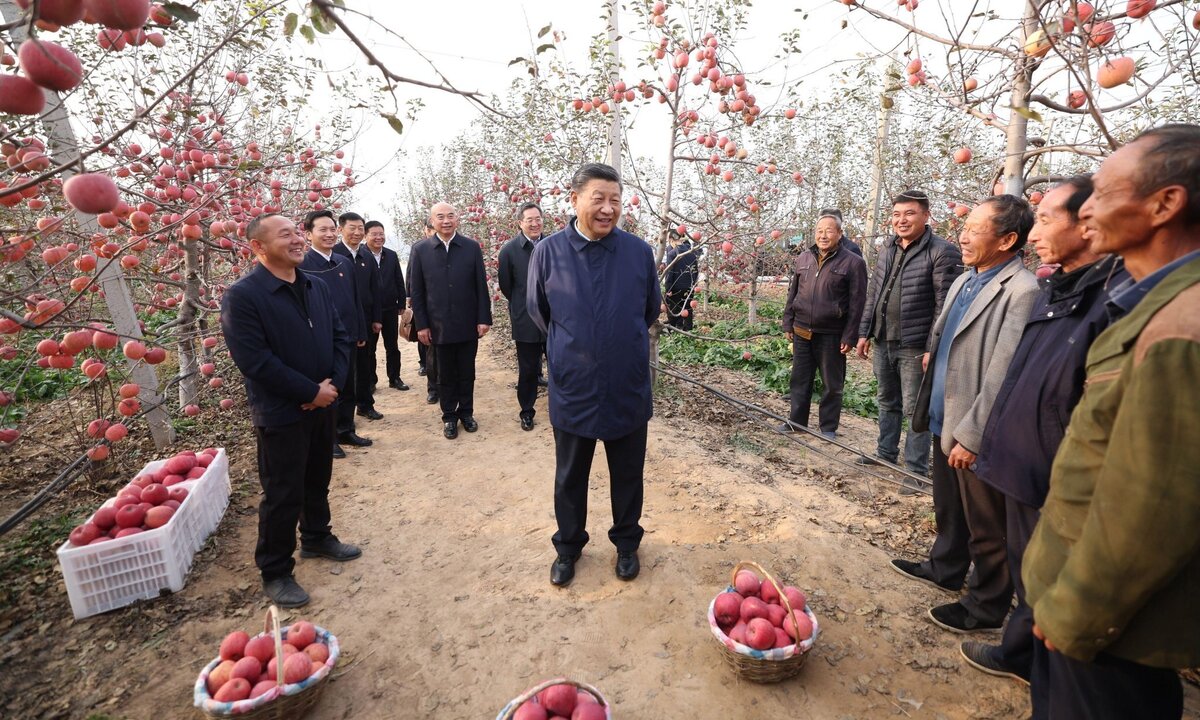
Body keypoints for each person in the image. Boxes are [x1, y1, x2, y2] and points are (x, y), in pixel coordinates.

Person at [1024, 124, 1200, 719]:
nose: (1086, 208)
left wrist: (1076, 611)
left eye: (1100, 192)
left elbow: (1152, 506)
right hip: (1079, 607)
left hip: (1104, 625)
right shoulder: (1152, 304)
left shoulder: (1184, 328)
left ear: (1164, 204)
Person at [954, 177, 1127, 706]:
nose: (1035, 233)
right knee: (1030, 569)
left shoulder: (1113, 301)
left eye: (1048, 219)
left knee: (1048, 581)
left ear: (1090, 224)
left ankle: (1039, 668)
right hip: (1021, 459)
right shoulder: (1059, 289)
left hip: (1055, 472)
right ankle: (1022, 655)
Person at [893, 196, 1040, 636]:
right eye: (965, 226)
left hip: (973, 425)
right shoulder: (965, 279)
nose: (963, 234)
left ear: (1008, 239)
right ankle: (945, 567)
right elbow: (945, 333)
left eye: (975, 229)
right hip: (945, 412)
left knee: (986, 525)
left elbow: (1002, 372)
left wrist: (973, 436)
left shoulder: (1022, 291)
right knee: (949, 505)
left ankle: (985, 605)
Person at [529, 163, 660, 587]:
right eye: (598, 199)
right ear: (574, 199)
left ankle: (626, 543)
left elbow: (649, 309)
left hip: (626, 383)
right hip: (575, 386)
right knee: (570, 475)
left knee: (628, 474)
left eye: (615, 201)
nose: (607, 209)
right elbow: (539, 313)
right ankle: (568, 547)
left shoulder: (638, 252)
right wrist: (576, 349)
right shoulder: (548, 252)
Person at [220, 213, 361, 609]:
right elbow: (255, 360)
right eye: (286, 235)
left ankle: (317, 537)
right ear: (258, 247)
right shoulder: (244, 296)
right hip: (281, 410)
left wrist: (330, 386)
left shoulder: (314, 285)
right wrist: (307, 390)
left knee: (318, 475)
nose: (298, 240)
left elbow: (339, 335)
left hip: (322, 403)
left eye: (298, 233)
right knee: (283, 491)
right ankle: (275, 569)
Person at [856, 190, 962, 475]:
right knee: (886, 400)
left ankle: (915, 469)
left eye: (909, 213)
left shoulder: (942, 251)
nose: (901, 220)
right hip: (883, 338)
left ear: (926, 216)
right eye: (896, 214)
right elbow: (874, 294)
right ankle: (885, 453)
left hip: (914, 345)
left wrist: (932, 346)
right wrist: (865, 331)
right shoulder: (888, 248)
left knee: (916, 408)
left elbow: (945, 305)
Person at [408, 202, 492, 439]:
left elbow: (480, 285)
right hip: (437, 325)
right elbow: (417, 292)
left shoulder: (471, 247)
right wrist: (421, 324)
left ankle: (466, 413)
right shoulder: (421, 250)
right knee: (444, 374)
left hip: (467, 322)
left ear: (458, 219)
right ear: (432, 221)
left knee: (467, 371)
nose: (446, 221)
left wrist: (483, 318)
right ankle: (449, 417)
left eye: (451, 216)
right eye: (440, 217)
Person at [780, 213, 867, 438]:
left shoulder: (853, 262)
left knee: (832, 383)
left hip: (832, 332)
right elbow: (794, 292)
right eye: (819, 231)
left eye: (829, 231)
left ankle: (828, 427)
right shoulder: (804, 258)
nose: (823, 235)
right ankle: (796, 422)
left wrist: (850, 336)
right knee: (800, 378)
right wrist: (788, 321)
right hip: (801, 329)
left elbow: (857, 303)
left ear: (839, 233)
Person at [299, 210, 372, 458]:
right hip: (322, 340)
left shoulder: (343, 262)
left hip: (348, 336)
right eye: (323, 230)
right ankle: (327, 439)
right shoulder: (304, 265)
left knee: (347, 386)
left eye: (332, 229)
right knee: (329, 388)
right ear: (308, 234)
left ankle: (345, 429)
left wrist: (360, 329)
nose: (329, 234)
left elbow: (355, 300)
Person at [498, 202, 547, 431]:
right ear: (520, 223)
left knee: (559, 366)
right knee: (527, 370)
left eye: (538, 218)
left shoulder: (553, 245)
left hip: (554, 320)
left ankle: (562, 409)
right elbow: (507, 287)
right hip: (525, 319)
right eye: (530, 220)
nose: (535, 223)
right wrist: (523, 303)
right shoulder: (509, 251)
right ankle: (527, 411)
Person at [334, 212, 383, 420]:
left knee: (364, 365)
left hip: (364, 321)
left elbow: (376, 290)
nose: (356, 232)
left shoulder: (366, 256)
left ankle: (365, 404)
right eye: (351, 228)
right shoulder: (334, 255)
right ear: (341, 230)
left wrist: (377, 318)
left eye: (360, 228)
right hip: (340, 324)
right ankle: (343, 417)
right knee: (343, 371)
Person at [365, 220, 408, 391]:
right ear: (365, 236)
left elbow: (399, 279)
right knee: (370, 348)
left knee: (392, 346)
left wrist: (402, 302)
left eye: (381, 234)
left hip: (390, 307)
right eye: (374, 234)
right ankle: (370, 381)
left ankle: (395, 378)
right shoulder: (361, 255)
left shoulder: (390, 254)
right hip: (369, 310)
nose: (378, 237)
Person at [409, 220, 438, 399]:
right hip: (429, 307)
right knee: (432, 352)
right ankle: (433, 389)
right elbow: (412, 276)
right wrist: (409, 296)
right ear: (426, 230)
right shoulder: (419, 248)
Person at [662, 230, 700, 330]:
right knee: (687, 307)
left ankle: (673, 328)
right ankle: (688, 329)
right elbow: (696, 271)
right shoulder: (692, 253)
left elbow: (670, 273)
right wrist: (694, 285)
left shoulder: (672, 254)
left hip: (676, 287)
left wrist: (668, 289)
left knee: (674, 308)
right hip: (689, 286)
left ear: (671, 240)